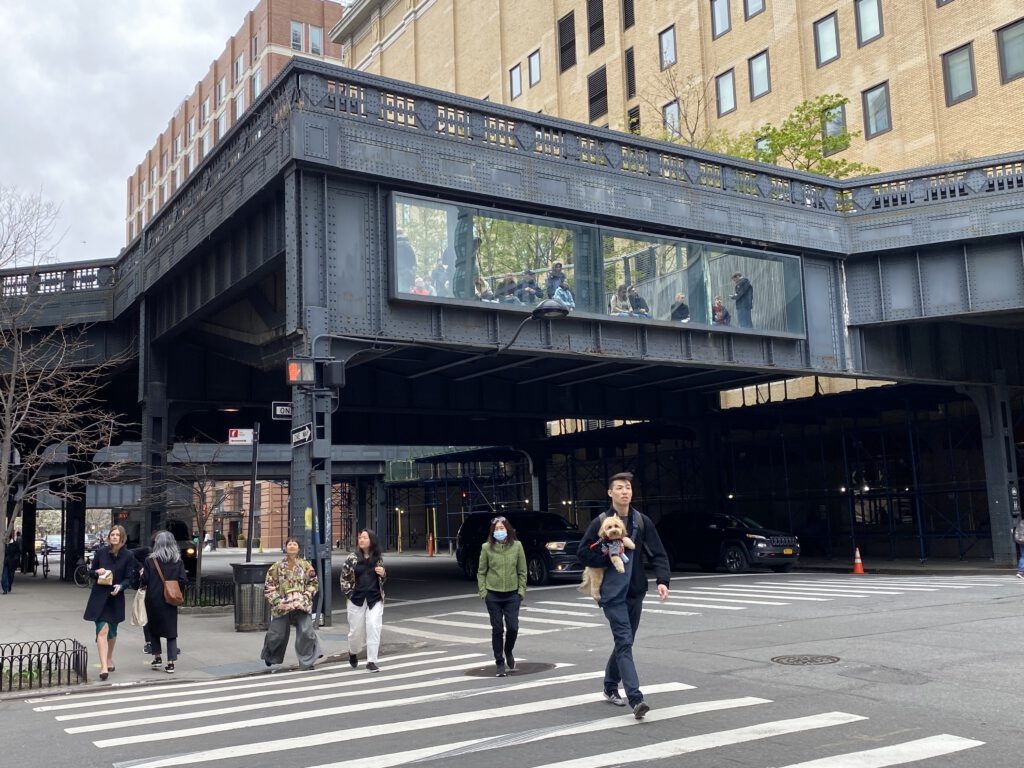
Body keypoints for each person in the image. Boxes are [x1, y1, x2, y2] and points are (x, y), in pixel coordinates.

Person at [577, 472, 671, 720]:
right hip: (611, 593)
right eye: (619, 487)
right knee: (624, 639)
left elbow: (658, 553)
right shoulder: (600, 521)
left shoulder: (642, 521)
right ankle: (636, 698)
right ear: (610, 493)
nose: (624, 491)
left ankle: (610, 685)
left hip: (635, 590)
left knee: (625, 641)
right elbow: (582, 553)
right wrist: (606, 557)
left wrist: (662, 581)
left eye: (628, 487)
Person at [83, 525, 138, 681]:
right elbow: (91, 572)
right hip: (100, 597)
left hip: (115, 597)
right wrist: (97, 572)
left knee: (112, 633)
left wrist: (121, 586)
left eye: (117, 535)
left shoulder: (128, 556)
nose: (114, 537)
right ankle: (103, 667)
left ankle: (109, 657)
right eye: (112, 534)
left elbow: (129, 578)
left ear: (122, 538)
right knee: (102, 631)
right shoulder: (101, 552)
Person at [476, 516, 527, 677]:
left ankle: (508, 650)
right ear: (492, 532)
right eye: (496, 529)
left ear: (508, 529)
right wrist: (484, 592)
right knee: (497, 629)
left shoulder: (517, 546)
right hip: (493, 595)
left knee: (513, 627)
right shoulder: (486, 548)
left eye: (502, 528)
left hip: (512, 595)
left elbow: (522, 571)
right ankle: (499, 662)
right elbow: (481, 572)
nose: (499, 531)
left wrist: (521, 592)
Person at [262, 537, 322, 670]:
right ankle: (270, 655)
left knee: (306, 632)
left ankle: (307, 661)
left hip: (301, 605)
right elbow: (269, 586)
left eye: (295, 544)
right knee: (277, 635)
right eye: (290, 544)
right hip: (282, 606)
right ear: (285, 547)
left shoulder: (306, 566)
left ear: (299, 548)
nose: (292, 546)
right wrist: (278, 601)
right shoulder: (276, 567)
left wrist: (306, 596)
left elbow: (313, 583)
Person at [141, 531, 188, 673]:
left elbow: (145, 581)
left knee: (154, 628)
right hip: (170, 600)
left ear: (157, 544)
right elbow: (183, 580)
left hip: (153, 599)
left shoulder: (150, 561)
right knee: (171, 631)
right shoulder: (178, 561)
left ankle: (157, 657)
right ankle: (171, 663)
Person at [341, 529, 387, 672]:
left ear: (371, 541)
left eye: (365, 538)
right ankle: (353, 652)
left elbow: (382, 579)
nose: (361, 540)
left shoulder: (378, 558)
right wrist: (350, 594)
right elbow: (344, 579)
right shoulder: (352, 558)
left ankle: (371, 661)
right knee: (356, 632)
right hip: (357, 599)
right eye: (360, 538)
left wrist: (383, 573)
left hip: (375, 598)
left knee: (374, 626)